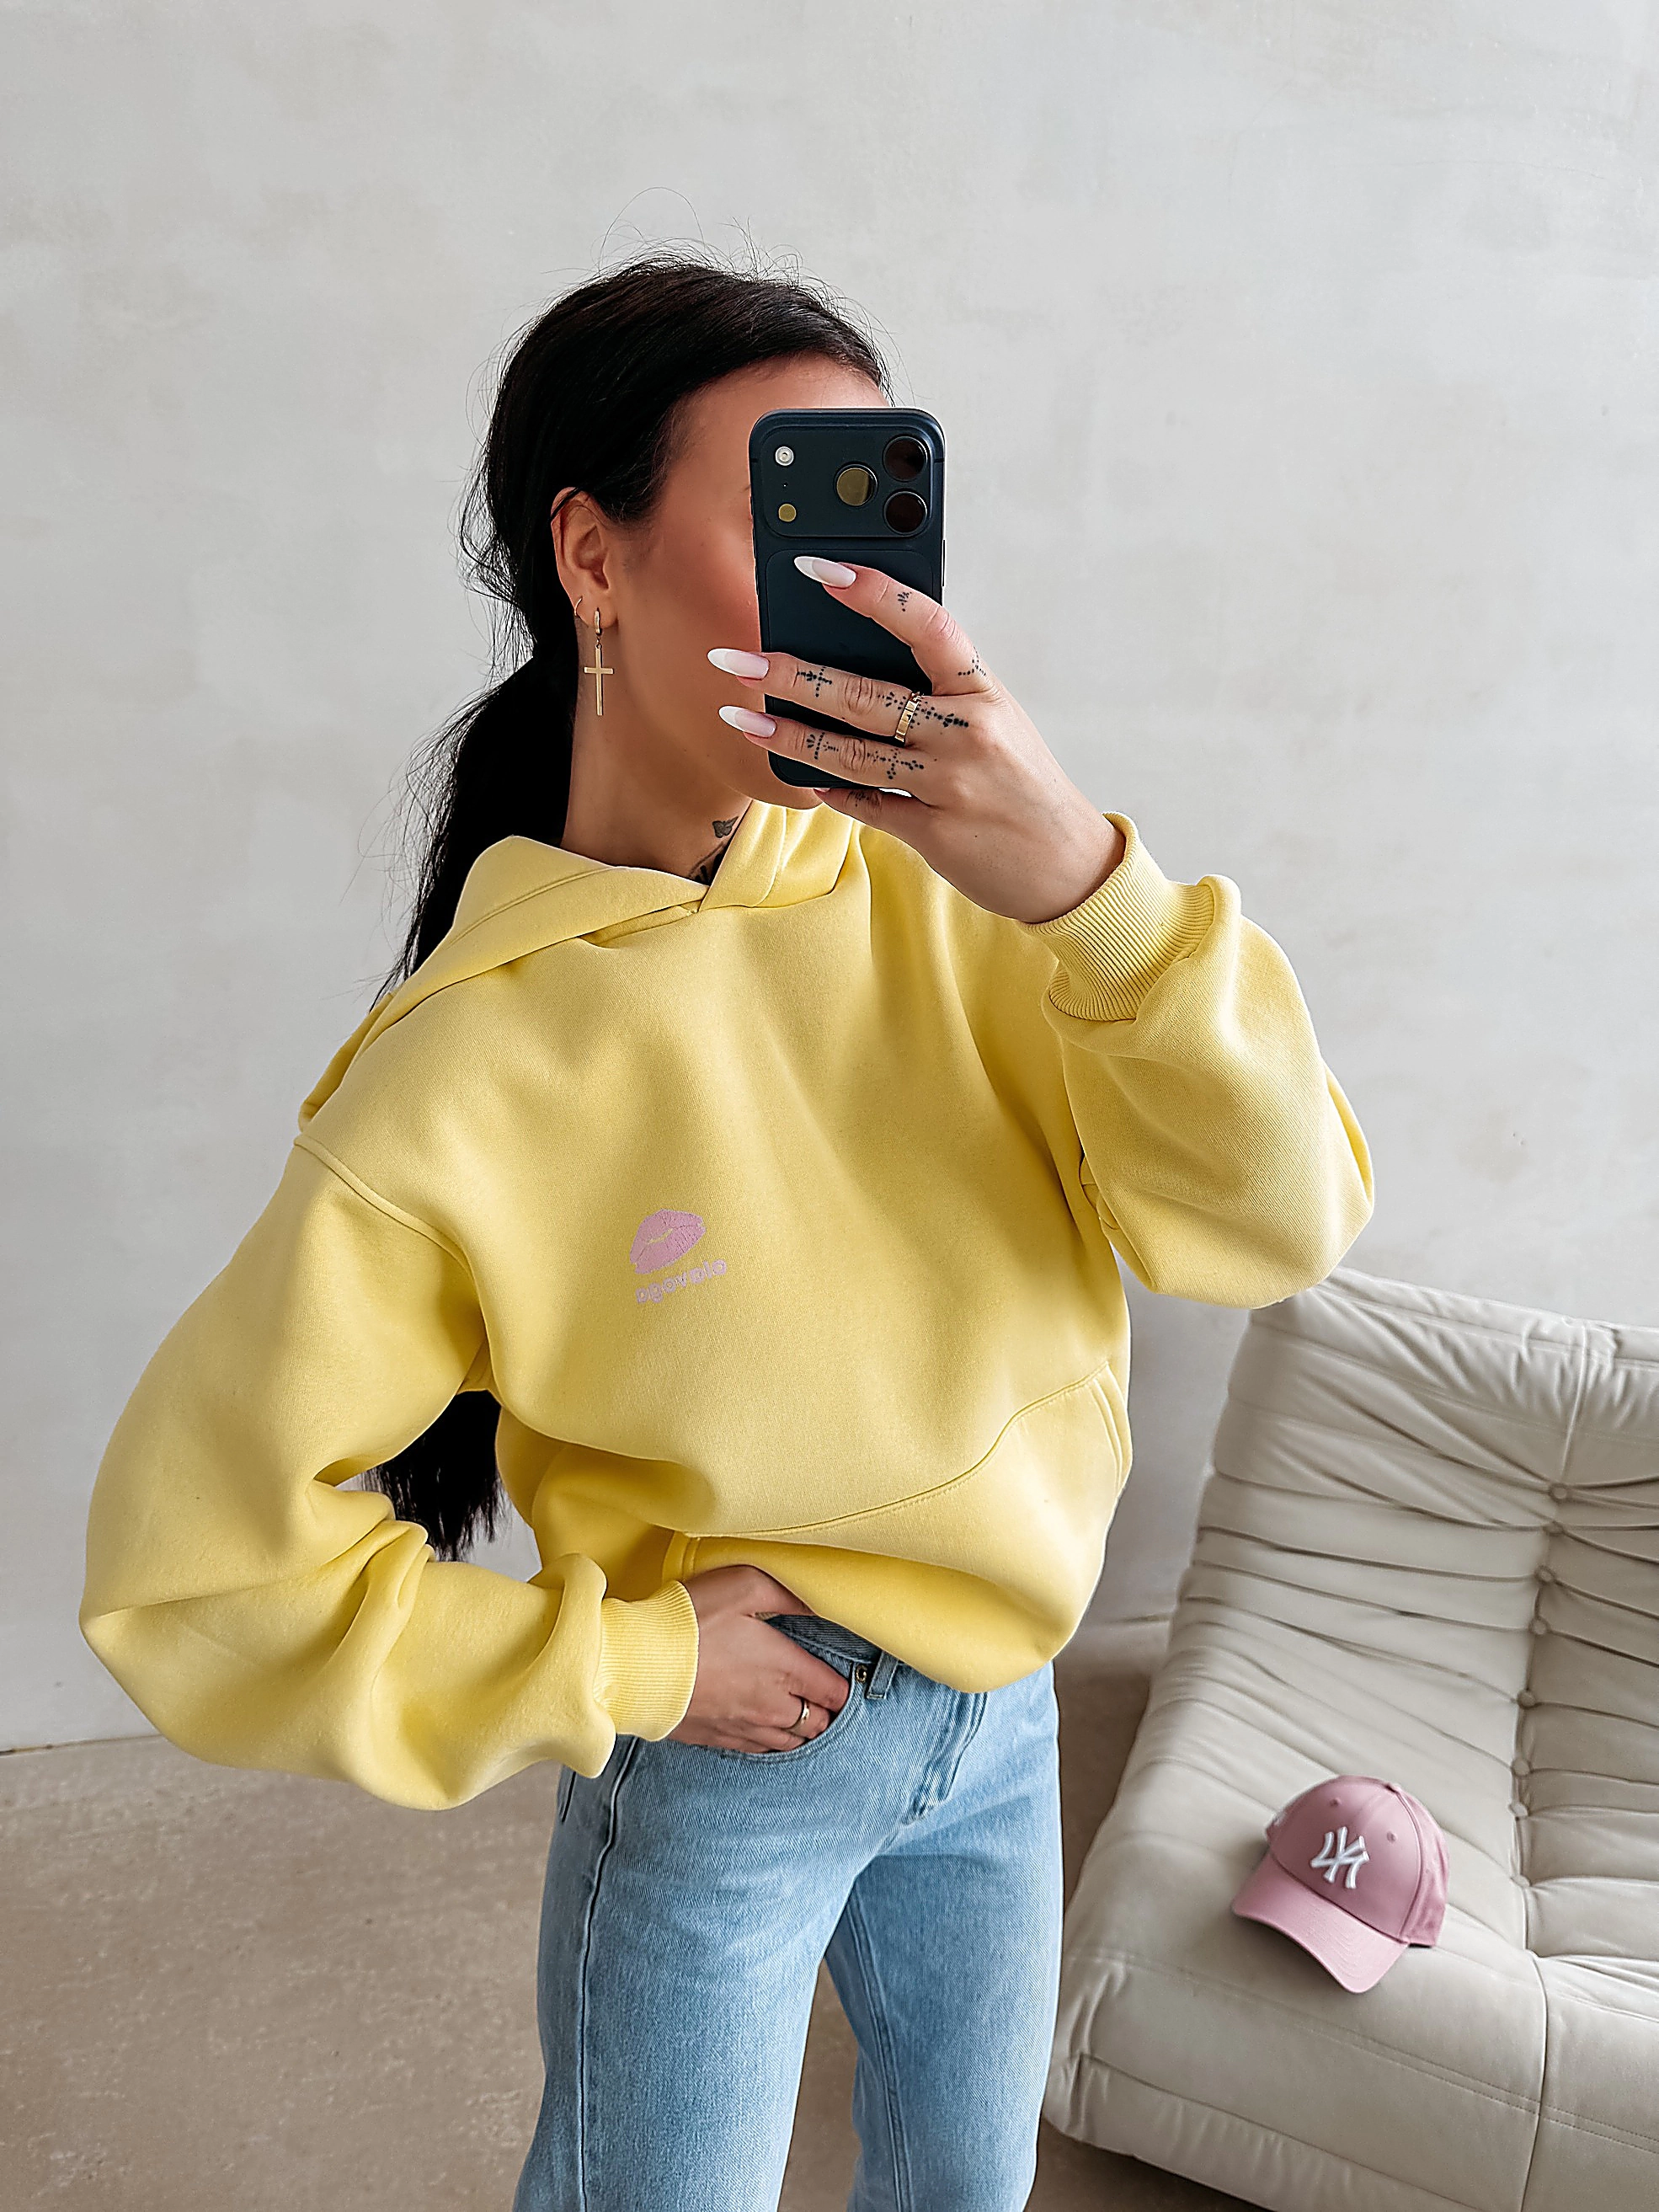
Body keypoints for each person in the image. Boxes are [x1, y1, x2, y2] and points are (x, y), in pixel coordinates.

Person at [80, 253, 1374, 2212]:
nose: (841, 585)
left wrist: (1086, 886)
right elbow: (189, 1575)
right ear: (589, 557)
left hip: (1006, 1714)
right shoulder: (472, 1065)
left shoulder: (983, 898)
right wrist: (619, 1666)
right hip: (729, 1754)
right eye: (781, 511)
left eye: (870, 517)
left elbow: (1276, 1227)